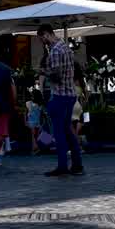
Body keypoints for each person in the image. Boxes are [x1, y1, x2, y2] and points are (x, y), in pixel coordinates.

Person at [37, 24, 83, 176]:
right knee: (68, 130)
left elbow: (56, 76)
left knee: (59, 132)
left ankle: (63, 165)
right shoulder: (66, 47)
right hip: (70, 94)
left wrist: (43, 71)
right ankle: (77, 164)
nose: (43, 42)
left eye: (42, 38)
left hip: (60, 95)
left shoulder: (56, 51)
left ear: (47, 34)